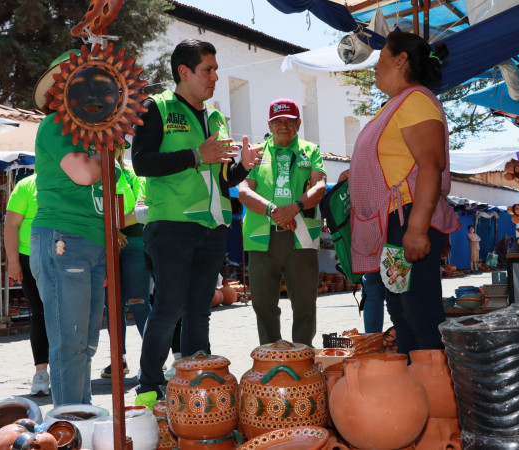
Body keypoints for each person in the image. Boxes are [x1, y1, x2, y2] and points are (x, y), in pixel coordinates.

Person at [131, 39, 262, 406]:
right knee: (169, 307)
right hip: (170, 224)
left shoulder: (217, 117)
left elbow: (221, 180)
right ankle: (148, 388)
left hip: (214, 226)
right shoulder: (156, 108)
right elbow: (141, 163)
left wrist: (242, 168)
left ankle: (197, 379)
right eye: (208, 70)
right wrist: (195, 154)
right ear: (184, 72)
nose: (215, 77)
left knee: (199, 310)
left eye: (216, 69)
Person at [345, 30, 460, 355]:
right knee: (403, 315)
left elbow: (430, 165)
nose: (375, 67)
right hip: (397, 225)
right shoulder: (397, 105)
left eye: (381, 59)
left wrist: (417, 227)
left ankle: (436, 393)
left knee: (420, 315)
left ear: (401, 60)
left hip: (410, 218)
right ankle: (417, 391)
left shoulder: (416, 101)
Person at [29, 49, 113, 407]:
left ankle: (82, 416)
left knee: (85, 342)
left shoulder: (92, 136)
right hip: (63, 239)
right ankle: (69, 423)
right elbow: (84, 174)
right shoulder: (54, 126)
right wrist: (112, 142)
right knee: (70, 340)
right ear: (59, 93)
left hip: (88, 243)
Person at [237, 98, 327, 346]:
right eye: (278, 121)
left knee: (305, 304)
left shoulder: (311, 151)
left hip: (301, 237)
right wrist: (273, 210)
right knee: (263, 305)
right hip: (262, 238)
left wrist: (295, 207)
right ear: (270, 124)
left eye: (289, 121)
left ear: (299, 123)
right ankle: (270, 355)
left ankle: (303, 357)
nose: (283, 126)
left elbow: (319, 186)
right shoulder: (257, 152)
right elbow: (244, 190)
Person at [99, 144, 153, 379]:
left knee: (139, 302)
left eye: (118, 145)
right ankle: (118, 359)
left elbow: (143, 210)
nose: (114, 150)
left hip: (135, 243)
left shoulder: (136, 173)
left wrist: (113, 226)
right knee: (113, 305)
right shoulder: (94, 174)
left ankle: (152, 359)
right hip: (105, 244)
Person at [4, 173, 50, 396]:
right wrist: (13, 261)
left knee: (66, 314)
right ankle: (41, 372)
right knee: (39, 313)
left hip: (62, 256)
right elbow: (11, 224)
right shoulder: (26, 185)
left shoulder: (71, 176)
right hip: (29, 256)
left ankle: (65, 371)